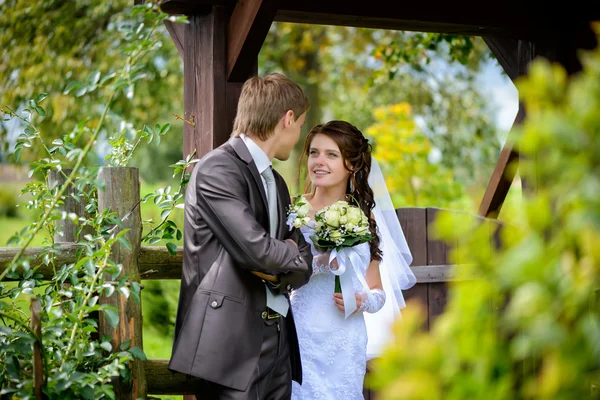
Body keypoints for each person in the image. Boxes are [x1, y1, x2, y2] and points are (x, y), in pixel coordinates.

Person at [168, 73, 314, 400]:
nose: (299, 132)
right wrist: (286, 255)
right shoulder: (217, 169)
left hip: (277, 338)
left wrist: (288, 258)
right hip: (231, 344)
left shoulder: (276, 181)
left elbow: (303, 260)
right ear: (288, 119)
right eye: (302, 123)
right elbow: (256, 249)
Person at [290, 120, 416, 399]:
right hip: (300, 332)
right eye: (313, 152)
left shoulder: (365, 219)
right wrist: (319, 263)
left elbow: (378, 292)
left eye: (331, 154)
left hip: (346, 337)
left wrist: (363, 301)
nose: (319, 161)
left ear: (353, 164)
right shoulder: (294, 209)